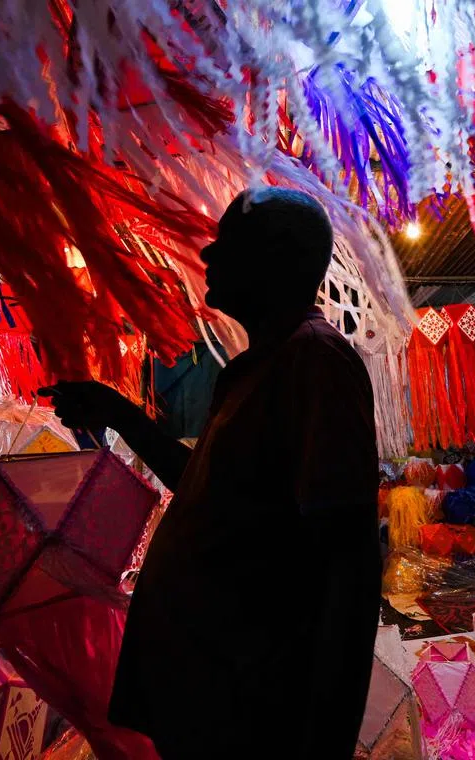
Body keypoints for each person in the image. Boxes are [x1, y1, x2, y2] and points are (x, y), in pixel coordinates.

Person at [41, 189, 382, 759]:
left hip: (253, 704)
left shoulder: (315, 360)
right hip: (212, 688)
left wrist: (325, 736)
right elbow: (202, 485)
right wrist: (118, 412)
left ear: (273, 256)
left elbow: (348, 558)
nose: (207, 255)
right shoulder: (258, 367)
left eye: (225, 241)